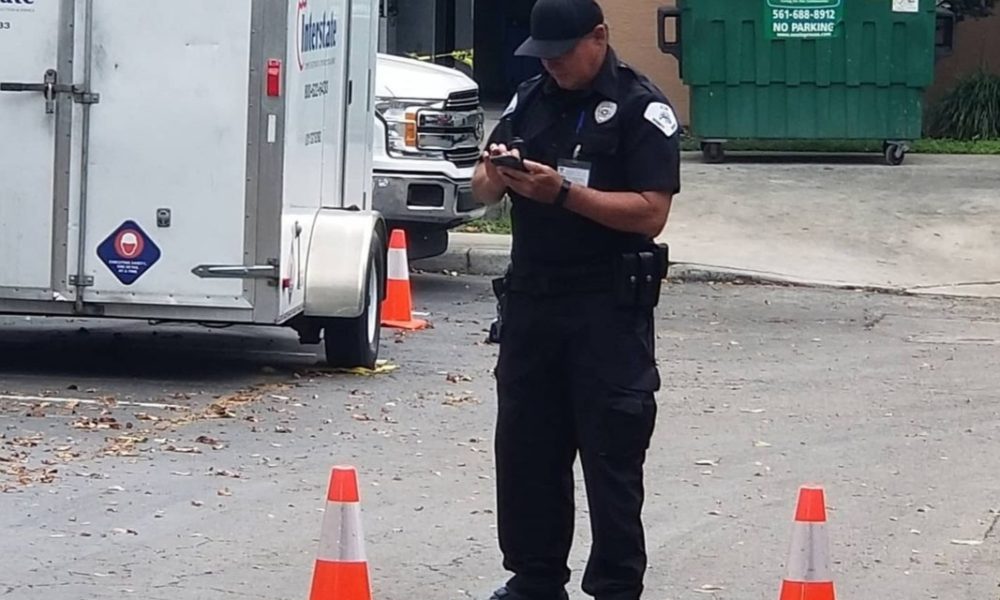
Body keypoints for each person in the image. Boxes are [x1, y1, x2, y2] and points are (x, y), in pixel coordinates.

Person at [470, 1, 681, 599]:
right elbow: (480, 186)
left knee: (612, 453)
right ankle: (534, 579)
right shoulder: (530, 99)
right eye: (544, 55)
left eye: (562, 54)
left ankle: (615, 586)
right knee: (527, 448)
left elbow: (652, 212)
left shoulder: (641, 107)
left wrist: (563, 193)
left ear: (599, 37)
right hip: (532, 304)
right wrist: (496, 174)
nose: (553, 65)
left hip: (605, 309)